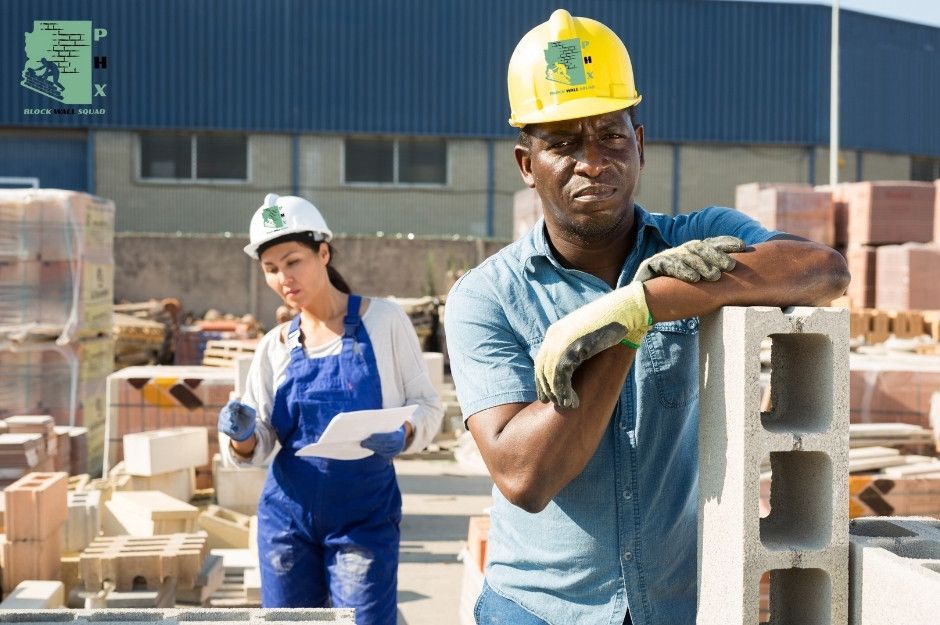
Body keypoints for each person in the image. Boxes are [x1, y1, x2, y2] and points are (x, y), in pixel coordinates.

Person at [444, 10, 849, 625]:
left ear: (640, 144)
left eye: (610, 135)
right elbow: (526, 477)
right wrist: (622, 333)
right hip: (541, 609)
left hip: (679, 605)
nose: (593, 160)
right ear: (528, 164)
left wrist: (649, 299)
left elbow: (822, 271)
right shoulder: (488, 296)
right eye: (563, 142)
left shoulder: (699, 239)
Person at [218, 193, 443, 624]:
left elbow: (428, 405)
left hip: (363, 516)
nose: (283, 277)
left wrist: (407, 432)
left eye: (293, 261)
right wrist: (243, 437)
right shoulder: (276, 345)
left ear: (323, 252)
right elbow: (261, 442)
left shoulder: (385, 322)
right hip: (286, 521)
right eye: (270, 269)